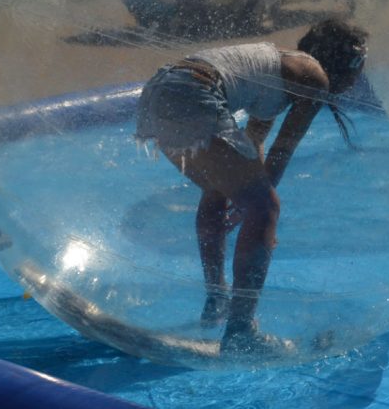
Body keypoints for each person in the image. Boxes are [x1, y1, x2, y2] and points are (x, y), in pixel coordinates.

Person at [135, 18, 368, 356]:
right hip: (193, 92)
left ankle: (217, 298)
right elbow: (279, 155)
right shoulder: (314, 77)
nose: (360, 76)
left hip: (161, 91)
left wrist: (245, 193)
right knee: (266, 207)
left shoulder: (279, 68)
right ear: (347, 63)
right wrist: (254, 207)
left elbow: (253, 140)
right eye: (360, 66)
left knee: (220, 187)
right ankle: (241, 331)